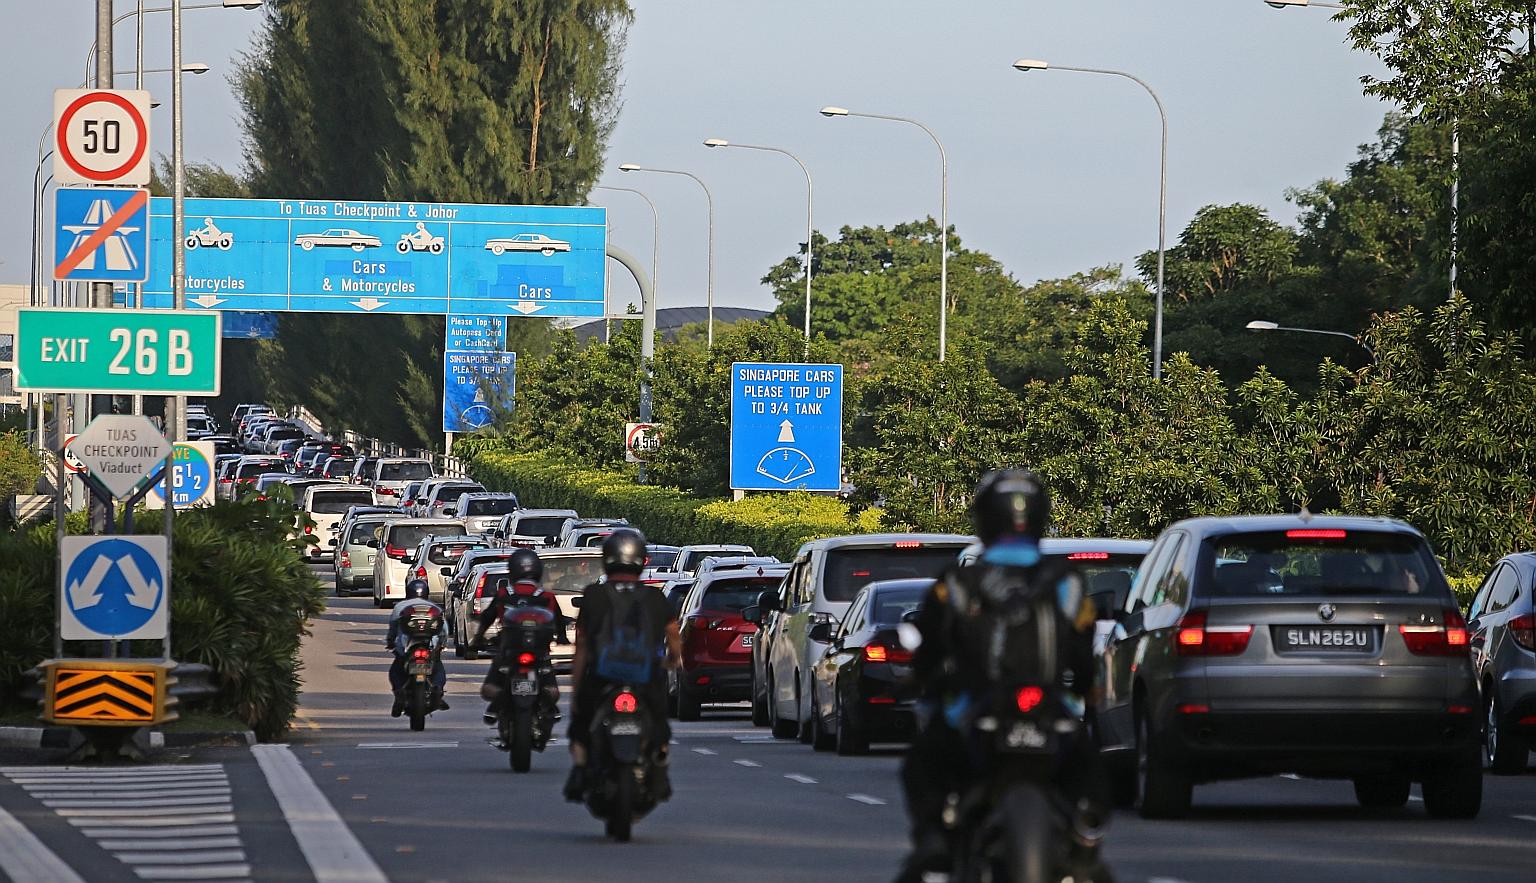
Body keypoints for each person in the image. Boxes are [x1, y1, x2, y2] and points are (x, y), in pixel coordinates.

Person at [897, 469, 1107, 882]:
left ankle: (935, 838)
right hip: (1049, 708)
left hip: (975, 706)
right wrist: (1087, 691)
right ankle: (1086, 835)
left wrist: (921, 679)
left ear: (984, 518)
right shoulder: (1067, 581)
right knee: (1091, 770)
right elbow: (1083, 654)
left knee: (921, 765)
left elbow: (931, 646)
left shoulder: (958, 580)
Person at [563, 528, 682, 803]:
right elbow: (673, 635)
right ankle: (660, 769)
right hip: (645, 677)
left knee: (580, 726)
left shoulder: (594, 595)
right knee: (659, 727)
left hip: (602, 677)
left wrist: (577, 687)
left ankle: (581, 770)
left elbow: (582, 646)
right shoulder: (654, 597)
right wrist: (671, 661)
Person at [472, 549, 567, 730]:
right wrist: (561, 638)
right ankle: (547, 708)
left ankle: (498, 706)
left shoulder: (503, 594)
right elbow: (559, 621)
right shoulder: (546, 596)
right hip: (539, 654)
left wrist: (478, 639)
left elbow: (487, 617)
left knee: (489, 688)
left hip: (508, 652)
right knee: (552, 692)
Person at [385, 579, 449, 717]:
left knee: (396, 670)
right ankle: (437, 690)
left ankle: (399, 693)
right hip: (430, 646)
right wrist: (442, 644)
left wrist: (390, 642)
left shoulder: (400, 607)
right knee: (438, 667)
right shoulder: (434, 608)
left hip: (406, 648)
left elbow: (393, 628)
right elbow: (444, 630)